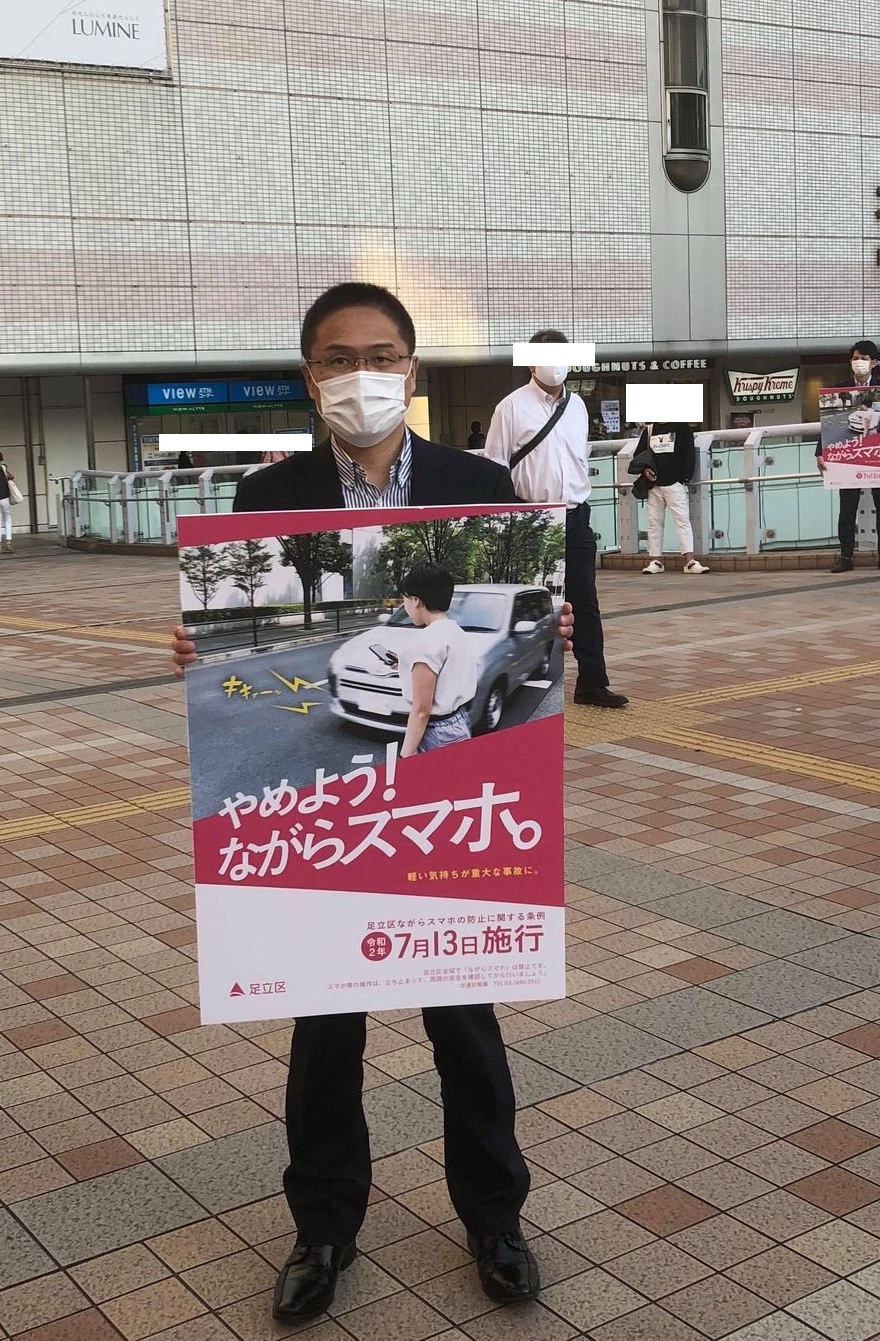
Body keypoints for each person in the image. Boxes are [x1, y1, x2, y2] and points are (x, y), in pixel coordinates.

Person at [171, 282, 576, 1323]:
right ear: (311, 377)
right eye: (341, 358)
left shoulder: (478, 483)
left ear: (411, 368)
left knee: (464, 1016)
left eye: (383, 355)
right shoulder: (266, 498)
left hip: (444, 801)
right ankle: (322, 1226)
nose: (364, 375)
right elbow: (243, 612)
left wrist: (555, 636)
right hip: (333, 808)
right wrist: (198, 647)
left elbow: (527, 630)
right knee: (324, 1027)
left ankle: (495, 1217)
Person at [484, 330, 628, 709]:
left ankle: (593, 682)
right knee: (532, 604)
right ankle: (531, 687)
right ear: (530, 363)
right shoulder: (510, 408)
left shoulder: (578, 406)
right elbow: (495, 469)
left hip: (576, 515)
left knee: (584, 602)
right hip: (531, 517)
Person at [816, 340, 880, 572]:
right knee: (847, 508)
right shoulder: (840, 389)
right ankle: (846, 557)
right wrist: (820, 452)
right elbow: (828, 425)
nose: (859, 362)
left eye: (864, 359)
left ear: (873, 363)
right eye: (856, 358)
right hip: (848, 454)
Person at [394, 562, 477, 756]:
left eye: (404, 599)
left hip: (437, 733)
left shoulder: (425, 641)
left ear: (416, 600)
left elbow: (421, 711)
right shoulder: (455, 630)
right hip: (459, 722)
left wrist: (405, 755)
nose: (404, 605)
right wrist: (403, 663)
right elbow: (447, 672)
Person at [629, 423, 709, 575]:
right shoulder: (650, 429)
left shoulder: (682, 427)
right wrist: (645, 469)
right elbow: (639, 455)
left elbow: (688, 454)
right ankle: (656, 560)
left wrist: (683, 479)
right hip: (654, 485)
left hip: (674, 483)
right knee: (654, 522)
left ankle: (690, 561)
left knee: (682, 520)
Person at [0, 453, 14, 552]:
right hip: (4, 497)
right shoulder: (4, 467)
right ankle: (8, 542)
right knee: (7, 518)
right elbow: (11, 477)